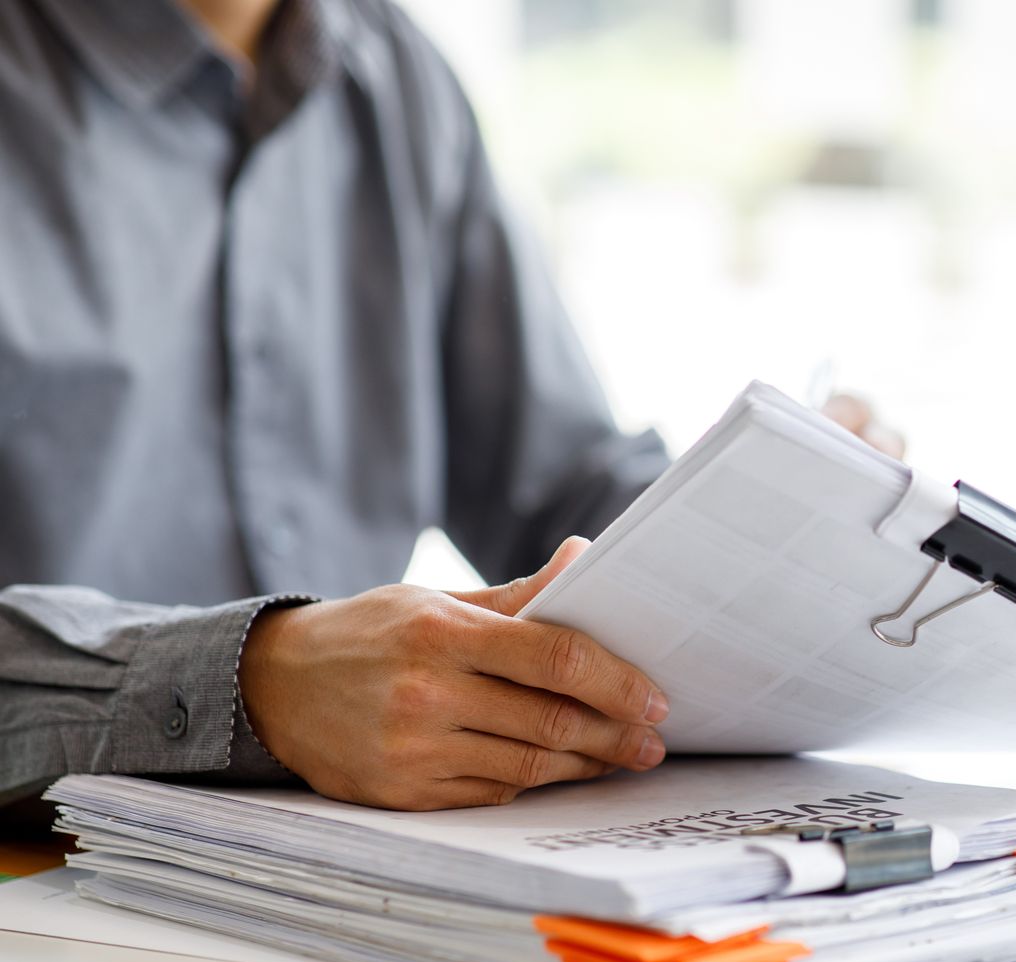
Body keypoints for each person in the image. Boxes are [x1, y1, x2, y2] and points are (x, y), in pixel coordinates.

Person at [0, 0, 899, 815]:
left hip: (346, 883)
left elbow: (557, 497)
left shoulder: (398, 76)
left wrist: (771, 527)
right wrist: (256, 683)